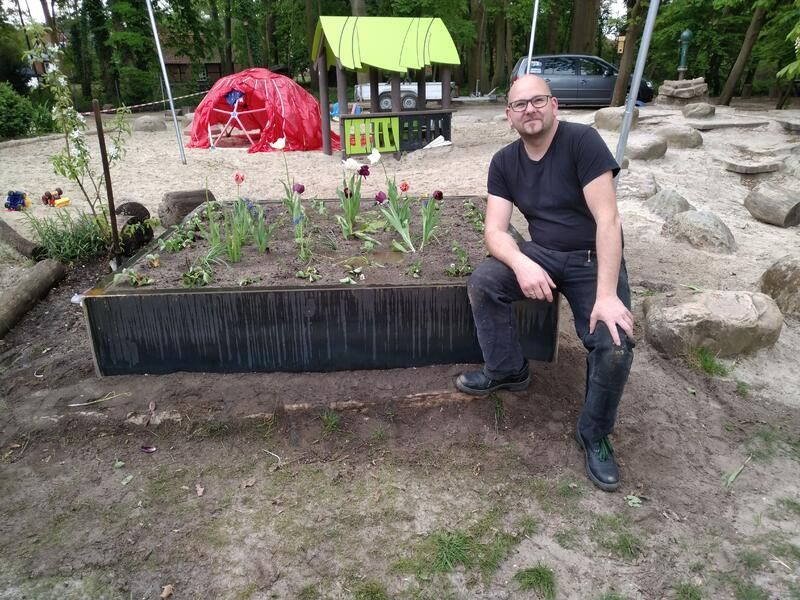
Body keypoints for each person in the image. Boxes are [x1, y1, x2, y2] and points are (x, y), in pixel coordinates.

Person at [455, 75, 635, 492]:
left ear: (554, 105)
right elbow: (495, 231)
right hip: (541, 252)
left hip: (592, 258)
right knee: (485, 282)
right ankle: (507, 370)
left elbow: (608, 220)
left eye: (537, 101)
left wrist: (606, 295)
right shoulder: (504, 162)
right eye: (519, 105)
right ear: (509, 116)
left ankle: (594, 434)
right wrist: (521, 263)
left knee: (614, 343)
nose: (529, 110)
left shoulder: (582, 143)